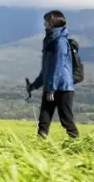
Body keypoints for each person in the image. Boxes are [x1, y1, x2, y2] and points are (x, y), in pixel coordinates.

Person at [27, 10, 79, 139]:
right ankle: (39, 147)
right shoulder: (49, 41)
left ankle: (78, 146)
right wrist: (35, 85)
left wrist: (51, 89)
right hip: (51, 87)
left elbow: (58, 67)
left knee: (66, 120)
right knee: (44, 120)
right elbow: (46, 69)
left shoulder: (60, 42)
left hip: (63, 88)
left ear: (51, 23)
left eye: (46, 21)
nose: (44, 24)